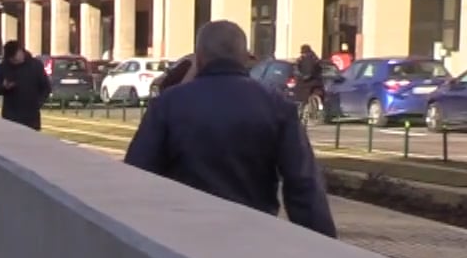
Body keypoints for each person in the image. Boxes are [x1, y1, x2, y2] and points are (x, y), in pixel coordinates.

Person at [123, 20, 336, 237]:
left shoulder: (167, 104)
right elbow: (303, 185)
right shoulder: (277, 107)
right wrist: (325, 246)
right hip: (253, 237)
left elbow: (137, 175)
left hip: (183, 237)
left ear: (199, 58)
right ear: (245, 57)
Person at [0, 40, 51, 130]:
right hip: (10, 116)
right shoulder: (4, 67)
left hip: (31, 117)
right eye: (11, 60)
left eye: (15, 59)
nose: (14, 62)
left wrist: (38, 103)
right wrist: (4, 87)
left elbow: (46, 88)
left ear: (21, 52)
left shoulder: (36, 66)